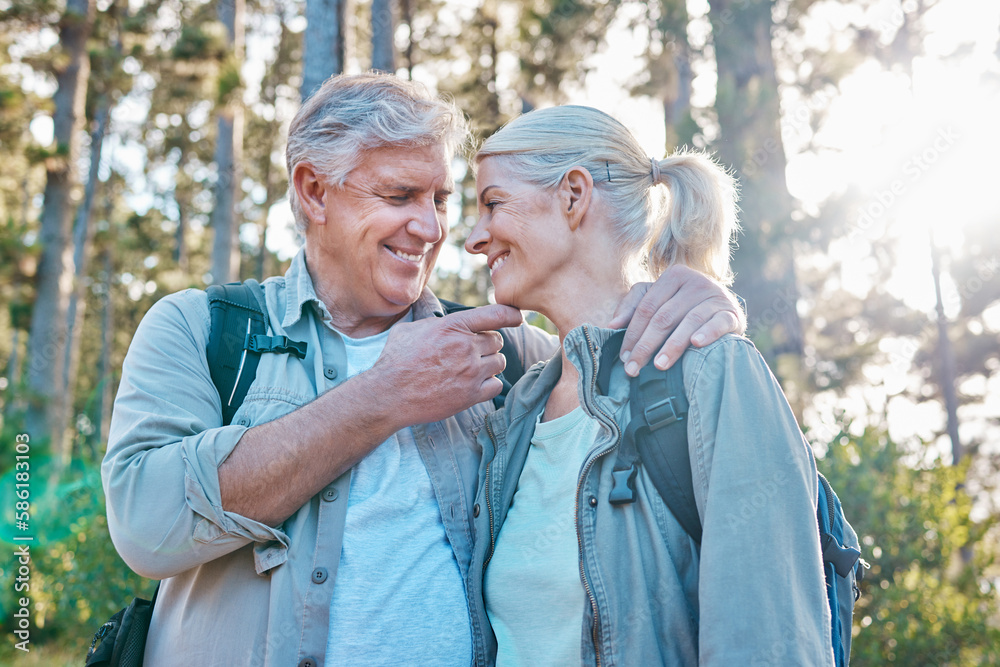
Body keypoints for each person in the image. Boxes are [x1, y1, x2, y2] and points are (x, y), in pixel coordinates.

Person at [102, 74, 746, 666]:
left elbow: (618, 367)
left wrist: (701, 302)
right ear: (313, 190)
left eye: (439, 197)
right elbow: (146, 527)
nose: (431, 226)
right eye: (399, 194)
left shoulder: (507, 350)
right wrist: (384, 395)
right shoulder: (202, 329)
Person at [464, 105, 833, 666]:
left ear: (573, 195)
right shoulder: (515, 413)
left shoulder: (712, 372)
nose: (473, 237)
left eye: (493, 203)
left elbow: (771, 644)